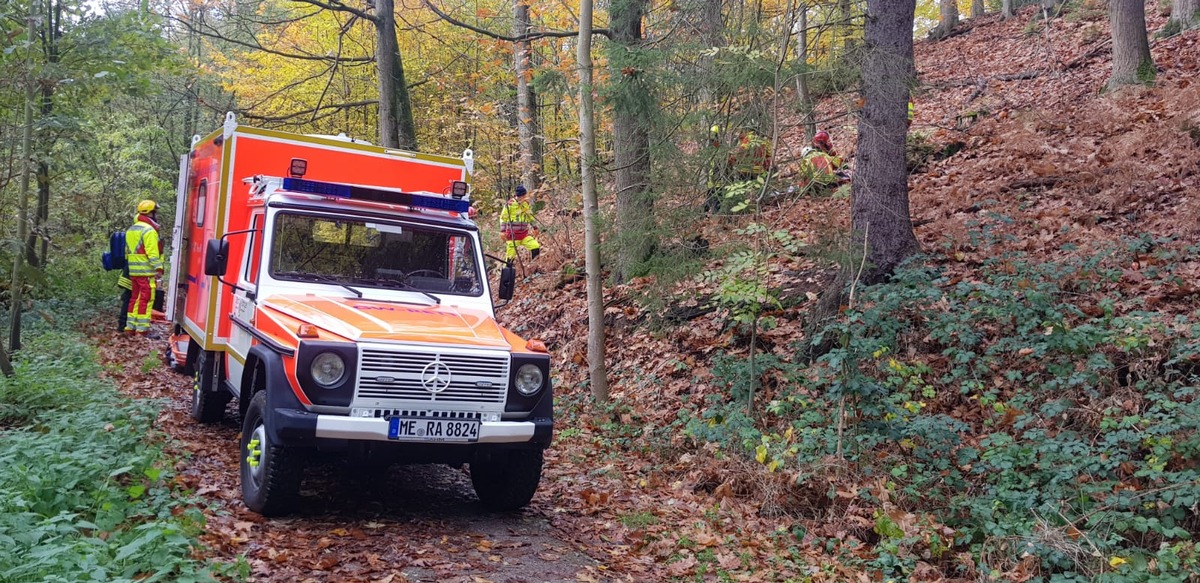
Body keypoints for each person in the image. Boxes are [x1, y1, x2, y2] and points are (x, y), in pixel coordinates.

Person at [124, 200, 163, 335]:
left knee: (135, 298)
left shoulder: (131, 229)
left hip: (133, 271)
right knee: (146, 300)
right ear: (151, 214)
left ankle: (130, 327)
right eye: (155, 212)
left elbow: (127, 252)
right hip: (146, 271)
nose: (156, 215)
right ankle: (142, 330)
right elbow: (152, 252)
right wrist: (158, 268)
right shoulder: (149, 230)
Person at [499, 185, 540, 261]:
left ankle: (534, 268)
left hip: (524, 234)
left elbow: (530, 216)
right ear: (520, 196)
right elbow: (503, 218)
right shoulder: (510, 205)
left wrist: (535, 227)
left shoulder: (525, 204)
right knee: (510, 258)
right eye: (524, 196)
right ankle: (507, 272)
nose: (525, 197)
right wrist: (502, 231)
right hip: (512, 236)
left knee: (535, 246)